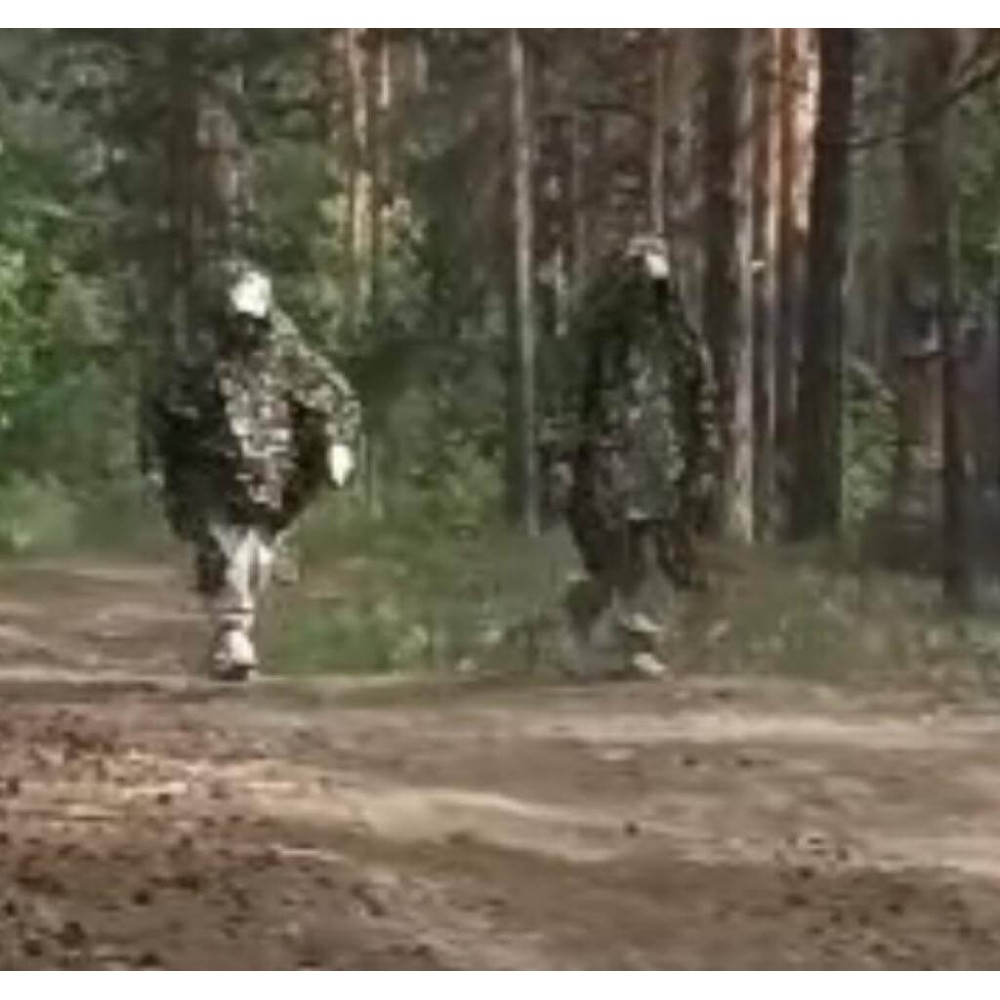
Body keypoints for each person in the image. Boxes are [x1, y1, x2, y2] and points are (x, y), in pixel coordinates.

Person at [142, 260, 361, 680]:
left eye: (249, 317)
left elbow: (334, 401)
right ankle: (233, 635)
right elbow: (160, 416)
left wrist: (336, 443)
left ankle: (234, 631)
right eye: (234, 316)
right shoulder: (193, 359)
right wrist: (156, 466)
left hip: (272, 479)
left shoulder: (285, 355)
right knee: (226, 553)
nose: (241, 327)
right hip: (208, 477)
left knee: (257, 557)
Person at [547, 234, 719, 675]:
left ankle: (635, 643)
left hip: (664, 468)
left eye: (654, 284)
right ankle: (598, 633)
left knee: (660, 559)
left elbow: (702, 403)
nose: (645, 294)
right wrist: (564, 458)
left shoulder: (682, 343)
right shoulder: (595, 341)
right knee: (614, 556)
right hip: (606, 466)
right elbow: (570, 401)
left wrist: (704, 459)